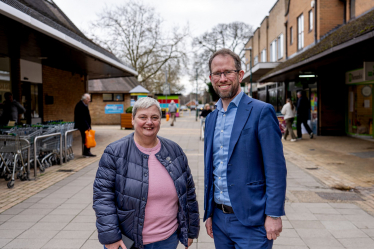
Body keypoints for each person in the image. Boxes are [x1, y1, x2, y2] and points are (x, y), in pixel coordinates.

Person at [203, 49, 287, 249]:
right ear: (211, 78)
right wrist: (209, 213)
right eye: (217, 73)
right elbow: (211, 169)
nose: (222, 78)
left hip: (252, 221)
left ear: (240, 75)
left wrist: (274, 214)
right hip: (219, 220)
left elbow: (275, 168)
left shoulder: (261, 111)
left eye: (228, 72)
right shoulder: (211, 118)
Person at [93, 97, 199, 249]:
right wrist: (110, 237)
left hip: (167, 239)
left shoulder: (175, 150)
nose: (149, 122)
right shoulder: (115, 152)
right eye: (143, 117)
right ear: (133, 120)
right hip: (127, 241)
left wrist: (190, 230)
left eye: (154, 117)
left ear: (160, 121)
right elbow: (102, 196)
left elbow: (188, 194)